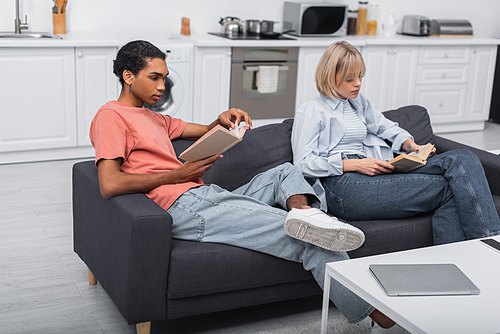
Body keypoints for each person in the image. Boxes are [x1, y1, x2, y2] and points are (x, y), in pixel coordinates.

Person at [90, 40, 406, 334]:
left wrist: (223, 119)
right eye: (154, 78)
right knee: (309, 238)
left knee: (284, 173)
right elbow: (109, 183)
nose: (162, 86)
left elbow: (204, 129)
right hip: (182, 204)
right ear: (128, 76)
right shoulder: (111, 116)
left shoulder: (154, 117)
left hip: (204, 195)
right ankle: (370, 308)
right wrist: (176, 176)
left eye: (165, 78)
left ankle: (304, 212)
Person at [292, 41, 500, 331]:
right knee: (452, 182)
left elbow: (384, 125)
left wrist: (410, 144)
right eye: (350, 78)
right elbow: (302, 162)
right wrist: (354, 164)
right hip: (343, 186)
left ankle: (454, 279)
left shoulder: (358, 103)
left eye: (361, 76)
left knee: (461, 160)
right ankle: (491, 247)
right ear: (330, 76)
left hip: (377, 172)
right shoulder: (311, 111)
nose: (358, 83)